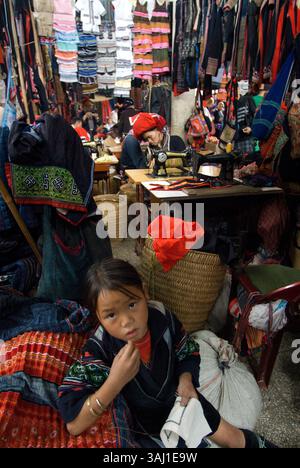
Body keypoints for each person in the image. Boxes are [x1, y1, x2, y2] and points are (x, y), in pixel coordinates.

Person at [57, 258, 278, 448]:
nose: (126, 322)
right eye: (111, 315)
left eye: (132, 304)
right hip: (146, 430)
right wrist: (114, 382)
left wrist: (186, 380)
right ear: (98, 316)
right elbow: (74, 425)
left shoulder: (161, 316)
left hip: (182, 400)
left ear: (144, 292)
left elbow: (186, 349)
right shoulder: (100, 350)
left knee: (232, 437)